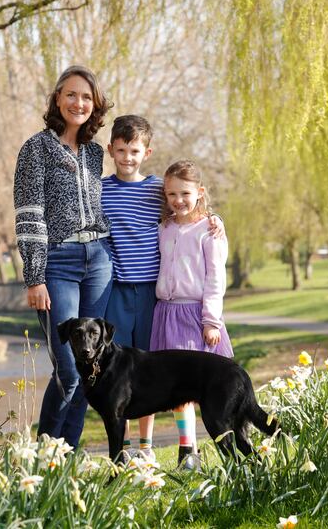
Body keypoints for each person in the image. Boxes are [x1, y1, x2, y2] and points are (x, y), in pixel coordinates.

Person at [101, 115, 224, 461]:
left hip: (153, 298)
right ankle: (122, 450)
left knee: (150, 373)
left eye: (135, 150)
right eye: (121, 150)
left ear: (147, 152)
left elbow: (187, 207)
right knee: (117, 372)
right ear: (111, 150)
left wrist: (212, 216)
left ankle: (148, 448)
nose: (127, 157)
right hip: (119, 289)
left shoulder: (157, 189)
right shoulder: (102, 189)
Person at [13, 65, 113, 448]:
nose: (79, 102)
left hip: (99, 262)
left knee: (92, 368)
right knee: (69, 369)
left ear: (95, 105)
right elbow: (29, 215)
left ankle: (65, 457)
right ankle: (44, 452)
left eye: (87, 97)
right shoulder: (35, 149)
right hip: (58, 262)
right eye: (71, 94)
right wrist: (35, 276)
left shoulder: (93, 153)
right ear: (57, 98)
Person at [148, 160, 232, 469]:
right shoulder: (165, 226)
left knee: (206, 387)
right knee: (175, 390)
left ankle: (230, 446)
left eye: (184, 193)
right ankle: (188, 451)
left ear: (200, 192)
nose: (178, 200)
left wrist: (211, 320)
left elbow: (215, 278)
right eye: (171, 194)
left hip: (195, 317)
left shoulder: (209, 230)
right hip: (166, 314)